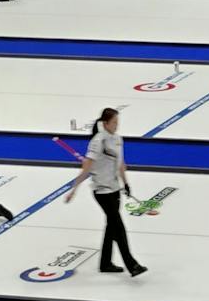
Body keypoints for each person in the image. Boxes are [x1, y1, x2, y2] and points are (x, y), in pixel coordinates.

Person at [61, 106, 147, 276]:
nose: (116, 125)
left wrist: (126, 183)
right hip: (102, 191)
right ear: (105, 123)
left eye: (118, 122)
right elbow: (87, 165)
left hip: (114, 189)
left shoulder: (117, 139)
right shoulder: (98, 141)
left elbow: (121, 164)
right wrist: (74, 188)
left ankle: (105, 263)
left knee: (111, 226)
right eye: (114, 122)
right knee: (118, 228)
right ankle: (132, 264)